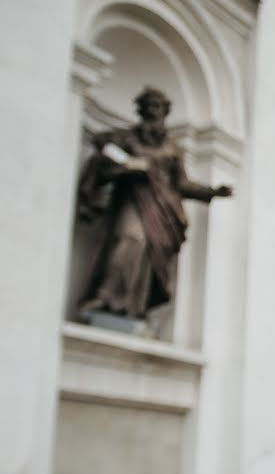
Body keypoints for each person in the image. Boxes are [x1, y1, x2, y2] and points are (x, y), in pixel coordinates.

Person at [77, 86, 232, 318]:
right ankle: (106, 297)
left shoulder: (172, 147)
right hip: (133, 200)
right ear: (141, 109)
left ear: (165, 112)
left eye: (158, 106)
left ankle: (132, 306)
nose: (153, 111)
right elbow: (101, 142)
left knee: (148, 256)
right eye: (149, 105)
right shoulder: (127, 136)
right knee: (129, 238)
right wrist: (126, 164)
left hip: (162, 209)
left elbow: (181, 183)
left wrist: (211, 192)